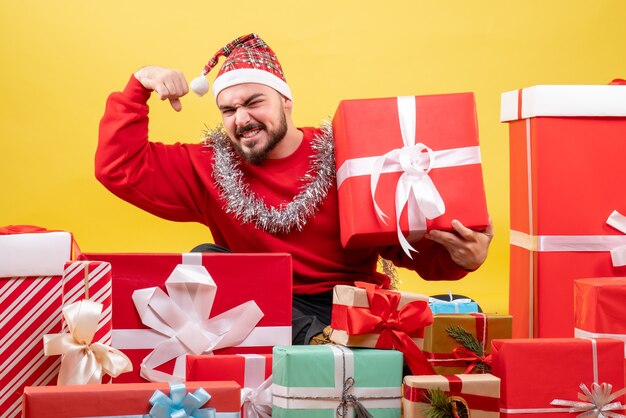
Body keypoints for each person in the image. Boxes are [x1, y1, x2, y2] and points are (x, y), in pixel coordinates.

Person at [96, 33, 493, 345]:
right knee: (206, 261)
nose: (242, 119)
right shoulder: (209, 165)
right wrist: (140, 84)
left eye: (254, 102)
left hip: (345, 307)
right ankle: (314, 345)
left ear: (286, 101)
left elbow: (405, 245)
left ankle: (327, 347)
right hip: (258, 309)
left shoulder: (346, 155)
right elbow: (119, 168)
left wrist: (464, 257)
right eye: (229, 110)